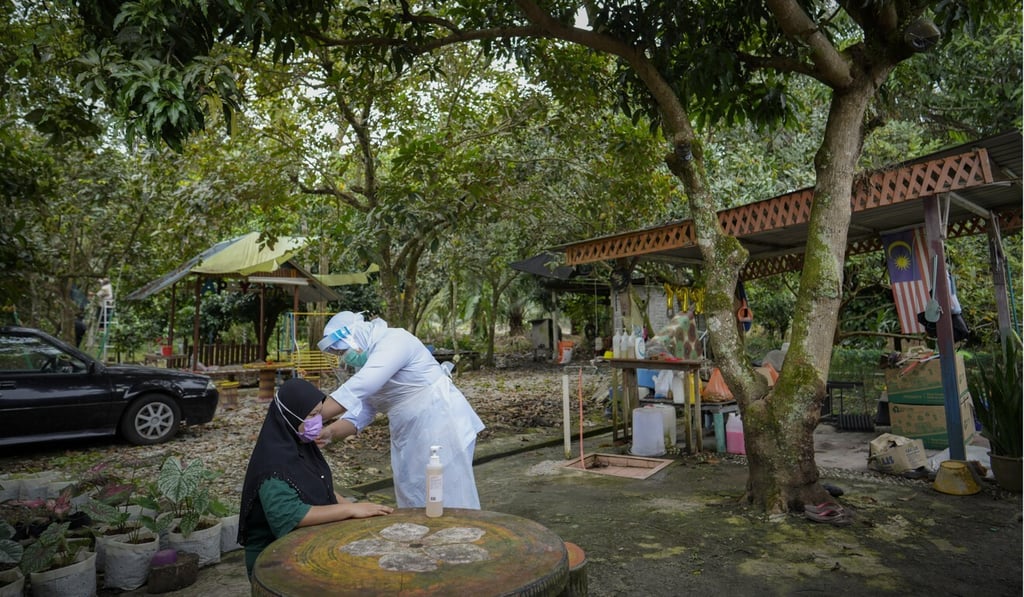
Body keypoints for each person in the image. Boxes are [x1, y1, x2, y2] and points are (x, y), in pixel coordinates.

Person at [316, 311, 485, 510]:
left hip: (439, 422)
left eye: (343, 351)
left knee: (447, 492)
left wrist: (312, 416)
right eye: (338, 354)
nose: (344, 357)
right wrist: (329, 432)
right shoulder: (369, 363)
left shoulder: (395, 340)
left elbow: (363, 385)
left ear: (357, 333)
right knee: (414, 491)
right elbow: (364, 410)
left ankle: (459, 537)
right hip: (409, 432)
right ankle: (424, 539)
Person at [237, 378, 393, 577]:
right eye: (311, 415)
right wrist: (349, 509)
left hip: (305, 541)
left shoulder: (299, 442)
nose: (317, 421)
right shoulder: (273, 464)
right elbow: (290, 515)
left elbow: (320, 484)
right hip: (272, 559)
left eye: (319, 414)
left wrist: (356, 508)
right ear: (291, 415)